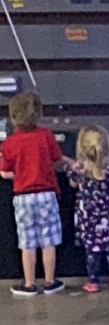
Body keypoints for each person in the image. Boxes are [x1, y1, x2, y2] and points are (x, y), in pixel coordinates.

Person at [0, 92, 71, 296]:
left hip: (22, 196)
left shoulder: (9, 143)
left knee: (27, 242)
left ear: (13, 116)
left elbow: (5, 172)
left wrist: (21, 173)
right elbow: (57, 157)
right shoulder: (46, 135)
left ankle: (29, 284)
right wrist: (70, 161)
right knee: (49, 240)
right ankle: (50, 282)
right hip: (47, 194)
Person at [68, 125, 109, 293]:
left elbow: (72, 183)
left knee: (92, 252)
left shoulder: (81, 171)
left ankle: (92, 282)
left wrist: (74, 167)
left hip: (88, 221)